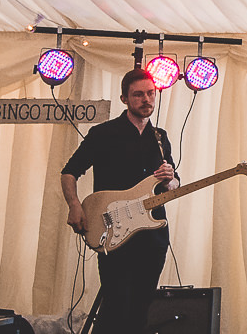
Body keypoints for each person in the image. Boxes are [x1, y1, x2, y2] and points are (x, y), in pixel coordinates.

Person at [61, 69, 177, 334]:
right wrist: (75, 205)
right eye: (138, 94)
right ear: (124, 98)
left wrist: (170, 178)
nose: (146, 99)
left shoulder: (160, 138)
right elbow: (69, 172)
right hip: (114, 230)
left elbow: (173, 184)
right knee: (116, 306)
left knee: (141, 307)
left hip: (153, 235)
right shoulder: (103, 133)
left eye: (150, 93)